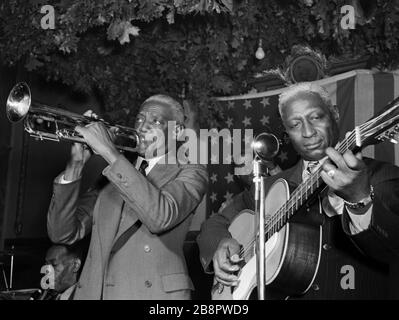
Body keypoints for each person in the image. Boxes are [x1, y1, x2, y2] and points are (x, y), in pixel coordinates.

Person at [197, 82, 399, 299]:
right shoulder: (268, 186)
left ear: (335, 115)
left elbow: (391, 250)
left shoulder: (385, 176)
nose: (308, 132)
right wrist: (222, 244)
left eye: (316, 117)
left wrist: (359, 198)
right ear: (287, 133)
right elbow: (214, 223)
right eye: (295, 124)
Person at [47, 94, 208, 300]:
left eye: (155, 121)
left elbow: (161, 216)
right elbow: (63, 234)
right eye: (139, 119)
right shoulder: (114, 173)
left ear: (176, 131)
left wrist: (108, 151)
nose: (142, 127)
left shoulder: (192, 171)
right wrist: (76, 165)